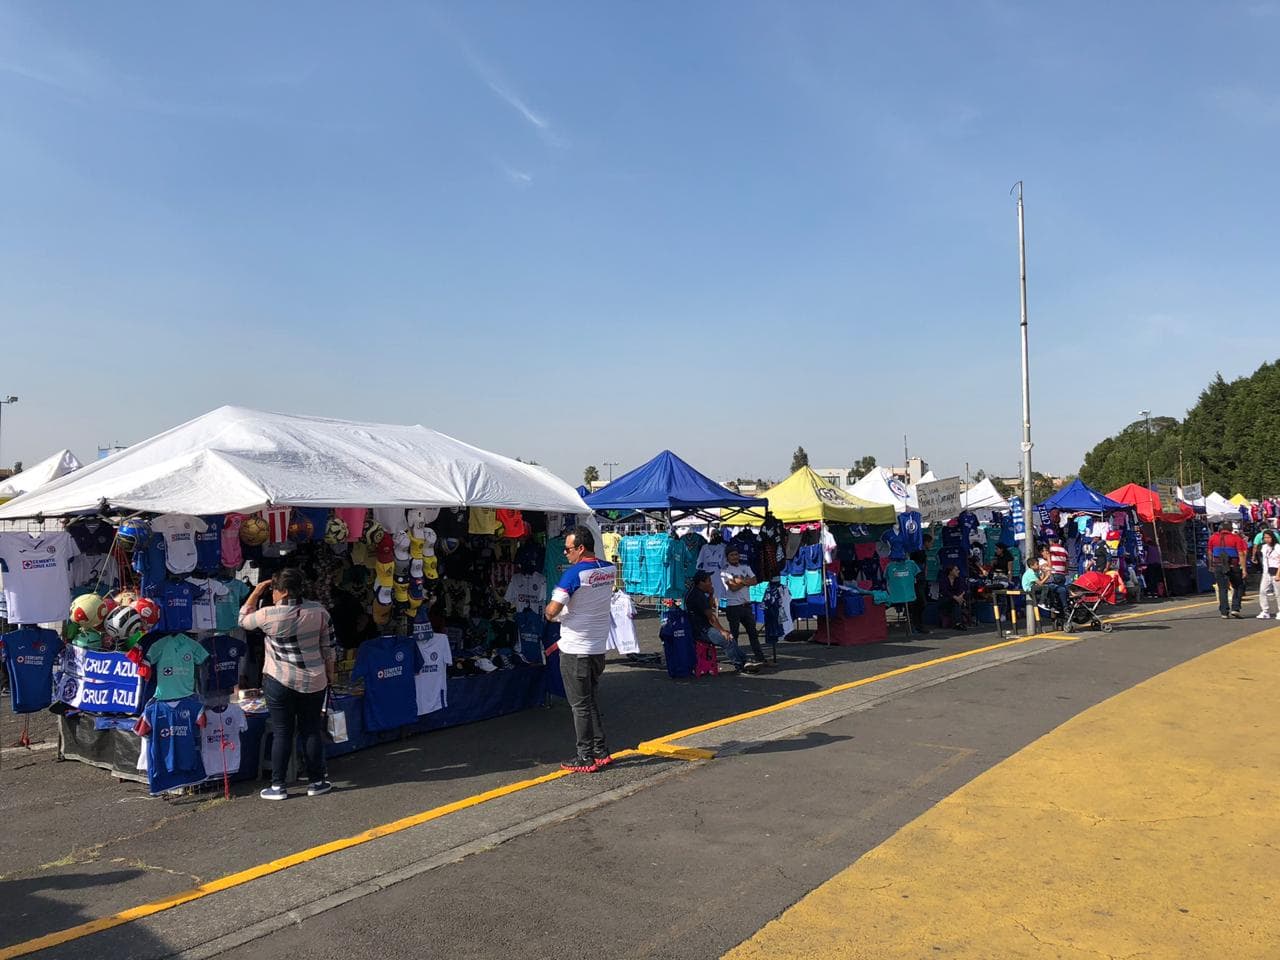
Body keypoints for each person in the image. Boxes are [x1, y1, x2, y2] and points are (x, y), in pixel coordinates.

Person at [238, 567, 336, 800]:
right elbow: (329, 648)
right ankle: (317, 781)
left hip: (279, 680)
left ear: (281, 592)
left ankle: (278, 786)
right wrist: (330, 674)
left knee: (283, 732)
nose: (271, 594)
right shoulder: (319, 612)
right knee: (311, 730)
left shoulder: (267, 615)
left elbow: (242, 619)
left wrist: (256, 592)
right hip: (314, 679)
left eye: (272, 590)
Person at [544, 526, 617, 772]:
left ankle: (585, 756)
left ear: (580, 548)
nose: (565, 553)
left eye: (568, 549)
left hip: (576, 648)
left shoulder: (573, 575)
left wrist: (555, 615)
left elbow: (551, 611)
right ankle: (601, 751)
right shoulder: (609, 569)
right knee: (590, 701)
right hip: (598, 647)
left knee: (579, 706)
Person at [686, 570, 757, 673]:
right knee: (726, 639)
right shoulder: (697, 596)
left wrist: (711, 595)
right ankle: (740, 665)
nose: (711, 583)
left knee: (730, 637)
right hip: (701, 630)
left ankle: (745, 661)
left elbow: (710, 607)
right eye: (708, 581)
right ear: (701, 583)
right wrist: (722, 631)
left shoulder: (699, 592)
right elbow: (711, 617)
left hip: (703, 626)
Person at [720, 546, 767, 670]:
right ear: (727, 557)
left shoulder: (745, 567)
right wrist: (745, 581)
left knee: (753, 633)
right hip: (733, 606)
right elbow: (732, 587)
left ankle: (760, 657)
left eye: (736, 554)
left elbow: (755, 581)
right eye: (732, 555)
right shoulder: (725, 571)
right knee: (734, 635)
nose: (735, 557)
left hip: (746, 605)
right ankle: (736, 660)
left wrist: (740, 581)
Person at [1206, 522, 1249, 619]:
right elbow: (1241, 553)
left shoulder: (1213, 538)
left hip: (1218, 565)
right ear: (1230, 529)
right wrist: (1244, 569)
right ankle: (1235, 608)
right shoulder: (1236, 538)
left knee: (1222, 588)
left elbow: (1209, 552)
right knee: (1238, 586)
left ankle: (1224, 612)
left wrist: (1211, 565)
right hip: (1233, 565)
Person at [937, 564, 970, 630]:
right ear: (950, 571)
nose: (958, 571)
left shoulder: (959, 579)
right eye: (956, 570)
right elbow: (945, 591)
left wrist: (960, 596)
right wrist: (956, 598)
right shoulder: (944, 580)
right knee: (954, 602)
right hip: (946, 599)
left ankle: (958, 623)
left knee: (956, 604)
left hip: (957, 599)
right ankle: (958, 623)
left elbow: (963, 588)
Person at [1257, 529, 1280, 619]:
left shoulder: (1278, 547)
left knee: (1278, 593)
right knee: (1262, 591)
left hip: (1276, 572)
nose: (1266, 539)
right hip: (1266, 572)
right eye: (1265, 537)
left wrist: (1278, 574)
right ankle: (1265, 611)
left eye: (1268, 537)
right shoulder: (1264, 547)